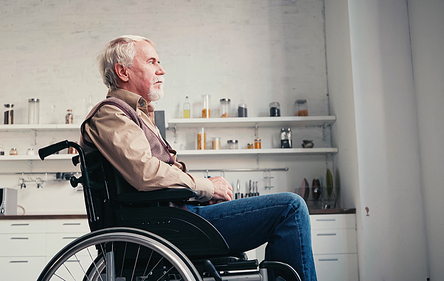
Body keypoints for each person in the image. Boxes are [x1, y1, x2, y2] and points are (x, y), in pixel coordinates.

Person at [80, 35, 317, 281]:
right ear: (123, 71)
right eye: (152, 62)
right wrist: (206, 187)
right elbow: (145, 173)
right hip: (164, 228)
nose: (161, 70)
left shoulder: (135, 114)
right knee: (290, 208)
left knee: (286, 208)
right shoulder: (111, 114)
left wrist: (202, 191)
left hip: (171, 219)